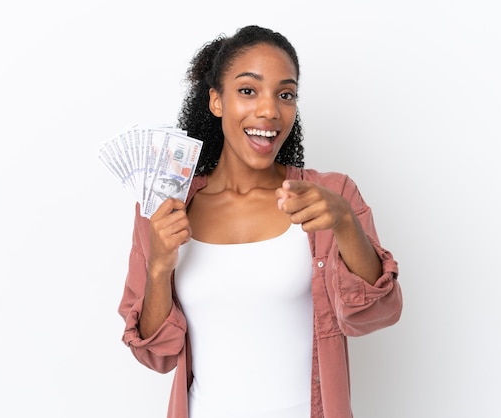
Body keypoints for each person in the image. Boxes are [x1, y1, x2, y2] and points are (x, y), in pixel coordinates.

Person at [118, 25, 403, 418]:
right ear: (216, 101)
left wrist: (343, 222)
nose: (269, 110)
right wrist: (159, 268)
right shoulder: (164, 209)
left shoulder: (331, 196)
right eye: (248, 90)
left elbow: (377, 314)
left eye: (285, 94)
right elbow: (156, 355)